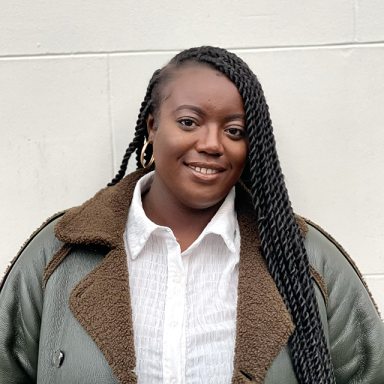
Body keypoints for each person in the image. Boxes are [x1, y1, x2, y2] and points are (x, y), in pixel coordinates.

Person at [0, 46, 383, 384]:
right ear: (152, 125)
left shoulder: (308, 261)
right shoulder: (57, 254)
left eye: (234, 131)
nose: (212, 144)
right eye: (189, 122)